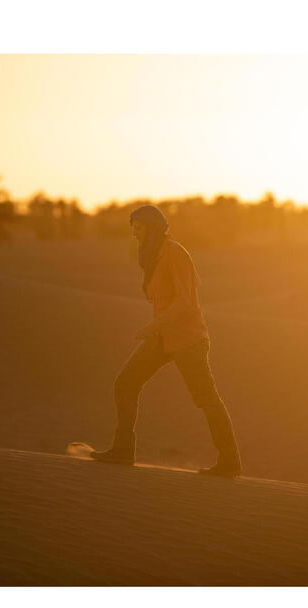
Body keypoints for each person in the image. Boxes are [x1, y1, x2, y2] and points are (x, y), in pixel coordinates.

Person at [91, 204, 242, 477]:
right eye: (132, 228)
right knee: (126, 383)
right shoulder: (153, 256)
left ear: (153, 228)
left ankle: (230, 462)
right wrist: (157, 328)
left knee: (206, 399)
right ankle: (123, 449)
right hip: (163, 337)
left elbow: (186, 302)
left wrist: (153, 325)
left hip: (187, 339)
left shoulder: (175, 253)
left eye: (138, 227)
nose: (134, 233)